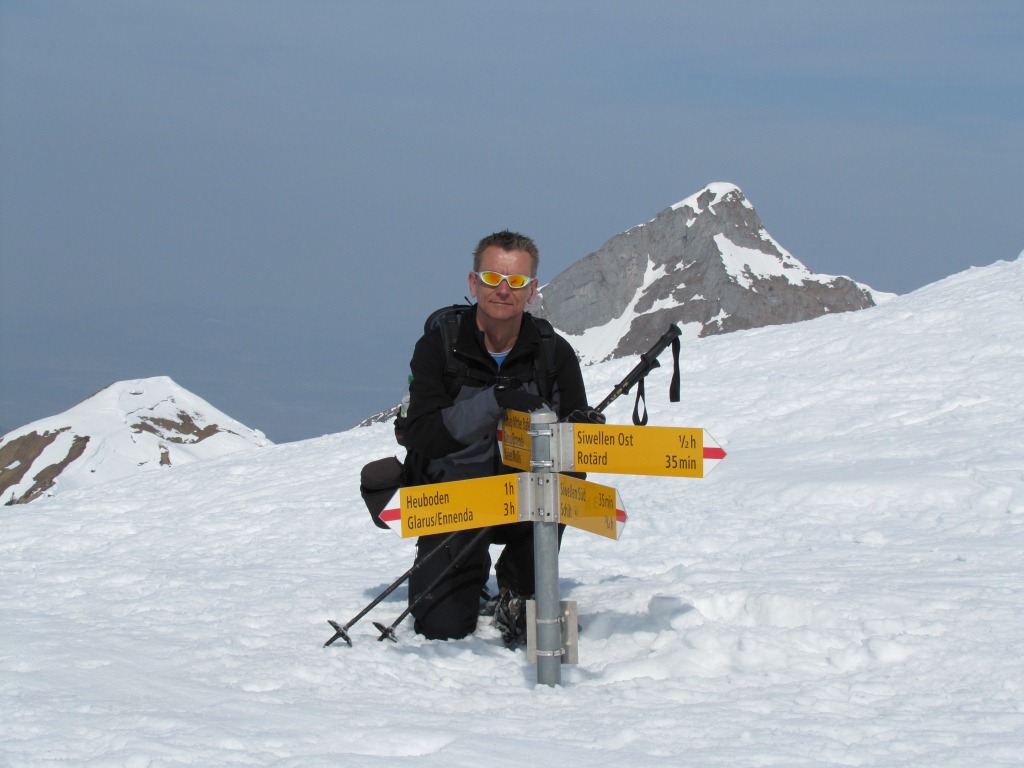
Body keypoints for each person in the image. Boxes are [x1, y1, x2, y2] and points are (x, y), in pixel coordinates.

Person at [400, 230, 596, 646]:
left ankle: (520, 584)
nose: (504, 290)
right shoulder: (440, 347)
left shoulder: (552, 352)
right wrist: (495, 401)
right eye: (492, 279)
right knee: (441, 626)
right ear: (473, 283)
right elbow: (423, 434)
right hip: (458, 502)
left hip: (527, 504)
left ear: (533, 290)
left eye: (518, 282)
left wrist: (580, 428)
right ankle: (467, 576)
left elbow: (575, 447)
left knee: (567, 476)